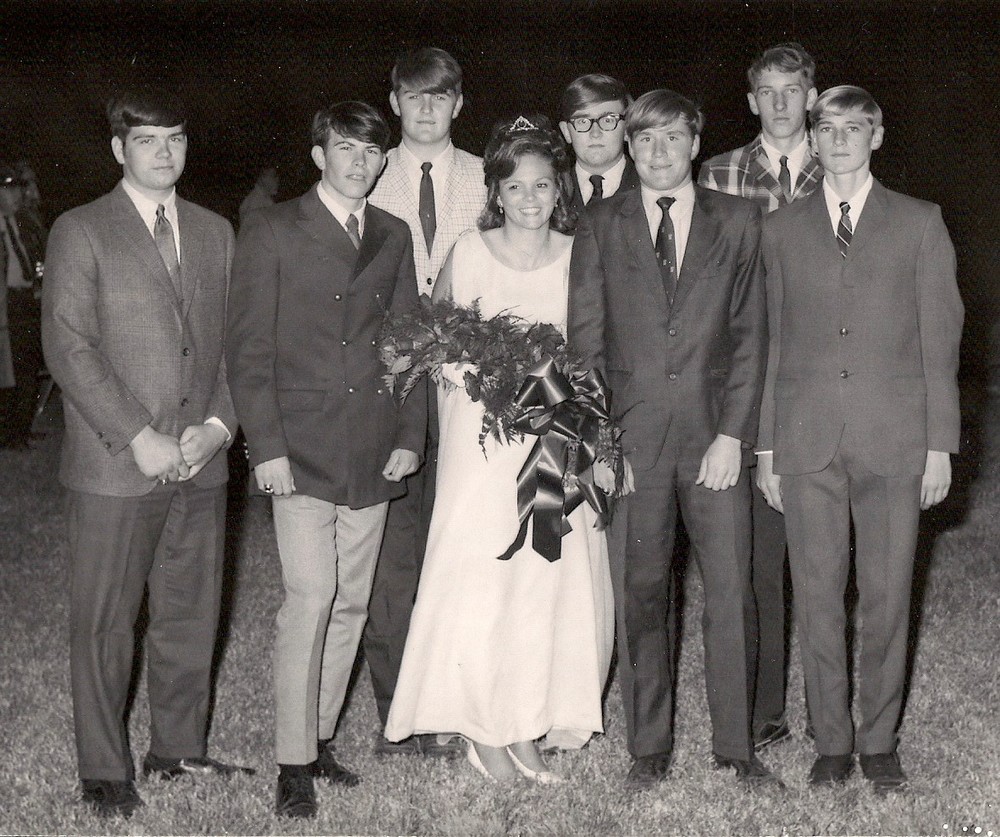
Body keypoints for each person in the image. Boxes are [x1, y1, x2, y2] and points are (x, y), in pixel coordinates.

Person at [385, 115, 614, 783]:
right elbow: (434, 340)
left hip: (554, 438)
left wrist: (562, 410)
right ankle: (483, 730)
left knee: (541, 577)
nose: (530, 198)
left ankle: (527, 725)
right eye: (515, 187)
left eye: (542, 185)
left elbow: (588, 350)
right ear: (497, 192)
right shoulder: (469, 251)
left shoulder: (578, 254)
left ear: (559, 188)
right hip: (481, 443)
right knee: (483, 576)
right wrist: (489, 380)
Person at [41, 90, 249, 819]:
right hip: (115, 465)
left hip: (201, 459)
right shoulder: (80, 229)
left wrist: (218, 426)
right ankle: (104, 770)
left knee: (190, 616)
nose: (165, 152)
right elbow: (69, 347)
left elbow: (239, 344)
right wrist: (138, 435)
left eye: (176, 138)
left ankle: (177, 751)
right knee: (105, 623)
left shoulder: (216, 231)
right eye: (148, 139)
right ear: (118, 149)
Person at [569, 89, 779, 790]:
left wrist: (732, 435)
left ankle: (737, 749)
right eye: (645, 140)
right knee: (641, 592)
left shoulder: (739, 219)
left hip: (713, 439)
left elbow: (751, 338)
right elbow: (585, 347)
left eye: (672, 138)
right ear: (629, 147)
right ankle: (648, 747)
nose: (659, 153)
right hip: (632, 444)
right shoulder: (600, 223)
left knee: (732, 593)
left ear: (695, 141)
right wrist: (603, 446)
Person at [756, 85, 962, 793]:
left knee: (886, 596)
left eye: (855, 127)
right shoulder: (780, 229)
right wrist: (767, 448)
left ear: (877, 136)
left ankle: (878, 742)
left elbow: (941, 342)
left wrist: (939, 445)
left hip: (895, 440)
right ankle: (832, 743)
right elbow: (771, 342)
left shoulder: (920, 222)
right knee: (817, 596)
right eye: (827, 127)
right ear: (811, 139)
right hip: (806, 441)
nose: (839, 138)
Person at [226, 101, 426, 818]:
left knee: (351, 602)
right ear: (318, 155)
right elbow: (249, 349)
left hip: (372, 445)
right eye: (345, 148)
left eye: (371, 151)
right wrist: (267, 447)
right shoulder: (274, 228)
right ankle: (291, 764)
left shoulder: (393, 233)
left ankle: (316, 739)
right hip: (301, 449)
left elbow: (408, 341)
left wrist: (410, 435)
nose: (359, 162)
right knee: (310, 597)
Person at [697, 42, 822, 750]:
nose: (780, 103)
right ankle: (765, 708)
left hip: (819, 382)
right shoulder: (718, 174)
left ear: (811, 96)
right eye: (767, 91)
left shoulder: (839, 165)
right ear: (750, 100)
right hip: (745, 381)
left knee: (822, 559)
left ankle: (829, 706)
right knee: (756, 562)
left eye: (792, 89)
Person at [363, 46, 486, 758]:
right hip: (391, 389)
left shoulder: (488, 177)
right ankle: (397, 711)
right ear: (395, 104)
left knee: (463, 547)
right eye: (414, 96)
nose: (428, 108)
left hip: (470, 391)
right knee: (394, 553)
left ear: (459, 103)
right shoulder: (367, 173)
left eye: (441, 96)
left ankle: (458, 700)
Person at [1, 164, 44, 448]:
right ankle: (10, 435)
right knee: (11, 370)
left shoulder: (20, 224)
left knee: (28, 365)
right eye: (9, 190)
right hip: (7, 304)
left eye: (18, 189)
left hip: (25, 300)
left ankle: (22, 429)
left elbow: (33, 259)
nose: (18, 195)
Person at [559, 73, 639, 214]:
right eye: (582, 121)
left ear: (627, 129)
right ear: (566, 132)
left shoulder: (649, 188)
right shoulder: (554, 191)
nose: (595, 133)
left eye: (608, 120)